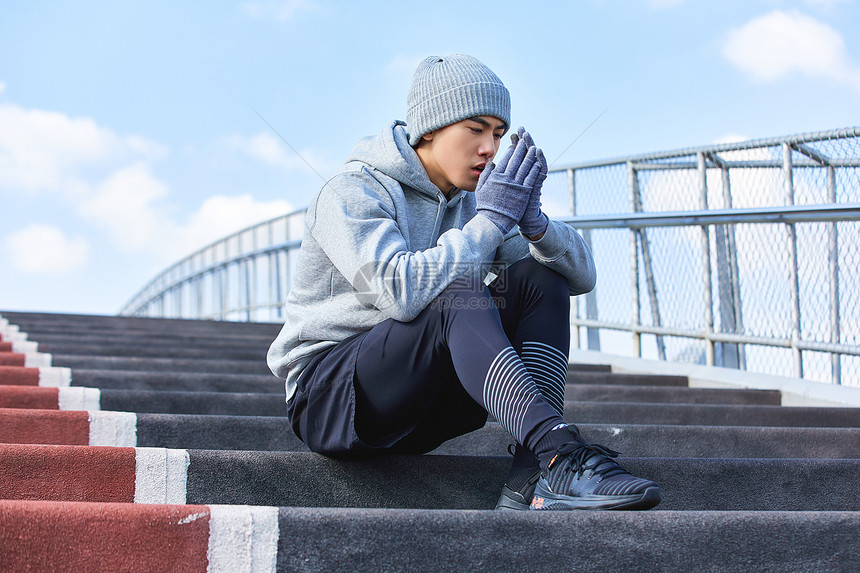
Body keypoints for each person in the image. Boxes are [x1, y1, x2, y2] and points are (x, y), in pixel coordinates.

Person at [267, 54, 661, 511]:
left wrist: (535, 225)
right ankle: (559, 451)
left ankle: (534, 478)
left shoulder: (473, 204)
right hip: (333, 398)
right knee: (460, 293)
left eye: (497, 133)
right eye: (475, 129)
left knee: (538, 277)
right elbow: (397, 293)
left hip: (420, 406)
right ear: (430, 129)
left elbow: (579, 278)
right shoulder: (349, 193)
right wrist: (492, 220)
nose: (490, 148)